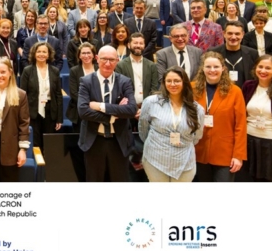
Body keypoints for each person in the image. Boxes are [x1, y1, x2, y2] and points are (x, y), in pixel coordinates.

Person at [78, 45, 138, 182]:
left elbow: (131, 110)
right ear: (97, 59)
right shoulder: (86, 81)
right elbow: (83, 112)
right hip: (94, 141)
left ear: (117, 61)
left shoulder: (125, 82)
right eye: (104, 59)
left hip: (119, 141)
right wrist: (114, 114)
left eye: (112, 60)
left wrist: (100, 106)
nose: (107, 63)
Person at [138, 67, 205, 182]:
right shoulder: (151, 102)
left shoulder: (196, 108)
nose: (172, 84)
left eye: (177, 81)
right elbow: (143, 129)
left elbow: (197, 136)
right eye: (169, 81)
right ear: (164, 83)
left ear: (184, 82)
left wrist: (184, 142)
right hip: (155, 158)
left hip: (184, 160)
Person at [192, 52, 247, 182]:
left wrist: (238, 155)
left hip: (225, 153)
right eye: (208, 66)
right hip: (198, 151)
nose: (212, 70)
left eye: (216, 67)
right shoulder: (191, 88)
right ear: (202, 68)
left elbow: (240, 125)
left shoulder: (235, 91)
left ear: (223, 68)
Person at [242, 55, 272, 182]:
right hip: (249, 141)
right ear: (255, 68)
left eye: (268, 68)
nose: (263, 71)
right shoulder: (248, 86)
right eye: (260, 67)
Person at [20, 42, 63, 151]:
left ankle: (47, 162)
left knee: (49, 145)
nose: (41, 54)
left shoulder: (55, 71)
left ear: (49, 55)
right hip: (33, 112)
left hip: (50, 111)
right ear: (34, 54)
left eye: (44, 52)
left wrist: (59, 118)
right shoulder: (27, 70)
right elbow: (22, 95)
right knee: (35, 143)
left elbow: (58, 95)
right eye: (38, 51)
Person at [210, 20, 259, 88]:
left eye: (237, 34)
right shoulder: (213, 53)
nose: (233, 37)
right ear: (224, 34)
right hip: (219, 92)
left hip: (245, 93)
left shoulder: (253, 54)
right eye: (230, 33)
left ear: (242, 34)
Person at [67, 43, 97, 133]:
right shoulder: (74, 71)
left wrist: (97, 105)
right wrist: (89, 104)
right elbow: (73, 93)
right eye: (83, 53)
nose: (86, 56)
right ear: (79, 56)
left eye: (89, 53)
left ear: (93, 55)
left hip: (98, 110)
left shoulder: (99, 69)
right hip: (79, 111)